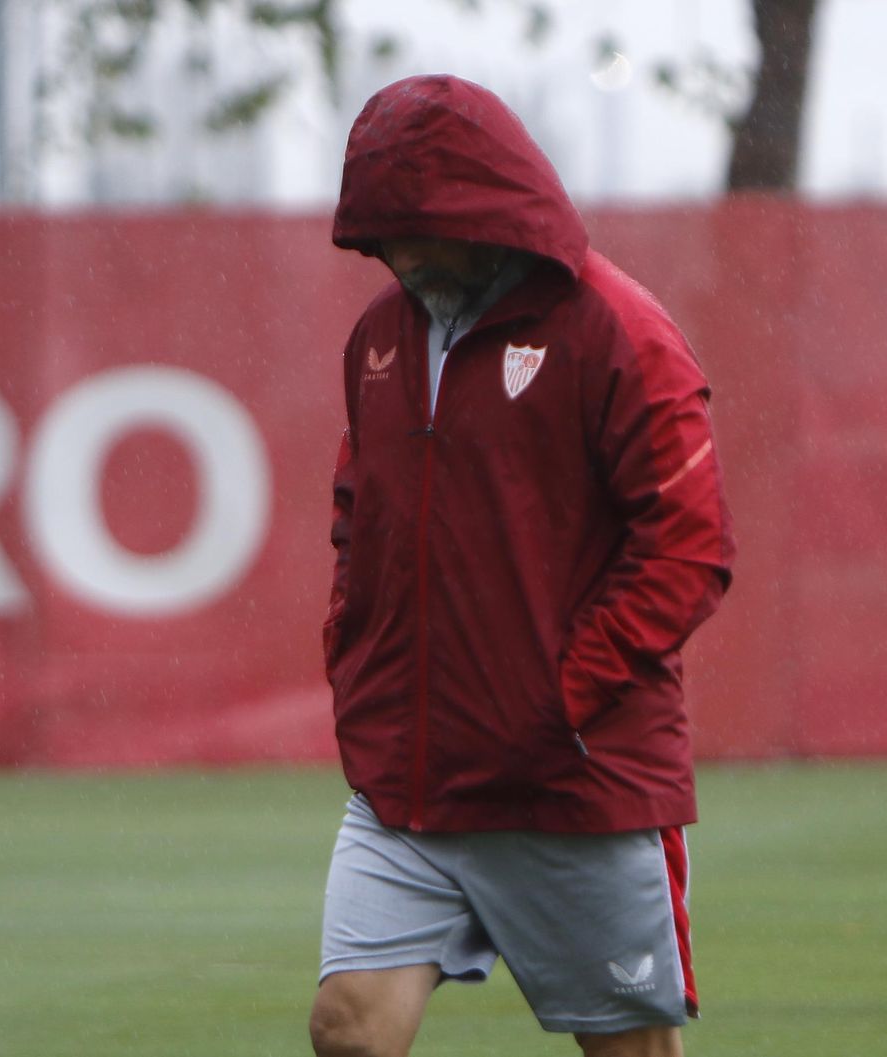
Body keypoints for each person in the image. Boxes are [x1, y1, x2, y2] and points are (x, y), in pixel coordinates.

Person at [311, 74, 736, 1057]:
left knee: (626, 1052)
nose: (396, 251)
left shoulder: (618, 330)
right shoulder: (382, 333)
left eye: (411, 223)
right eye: (377, 227)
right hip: (408, 777)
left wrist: (556, 697)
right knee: (348, 1034)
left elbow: (688, 545)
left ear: (478, 205)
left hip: (571, 784)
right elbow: (355, 507)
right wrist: (357, 658)